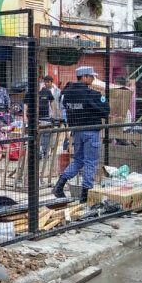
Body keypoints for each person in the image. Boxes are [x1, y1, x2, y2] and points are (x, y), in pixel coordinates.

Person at [51, 66, 110, 203]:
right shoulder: (92, 94)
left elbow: (65, 107)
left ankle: (59, 185)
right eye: (91, 76)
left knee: (78, 160)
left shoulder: (67, 93)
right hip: (91, 132)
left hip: (76, 131)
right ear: (84, 77)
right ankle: (85, 194)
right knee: (90, 162)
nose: (93, 79)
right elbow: (106, 110)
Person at [39, 76, 56, 157]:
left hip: (45, 117)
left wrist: (53, 112)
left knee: (46, 135)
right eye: (44, 82)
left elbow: (52, 101)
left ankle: (45, 152)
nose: (44, 83)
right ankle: (39, 153)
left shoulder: (47, 91)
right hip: (35, 118)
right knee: (38, 136)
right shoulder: (34, 92)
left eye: (46, 82)